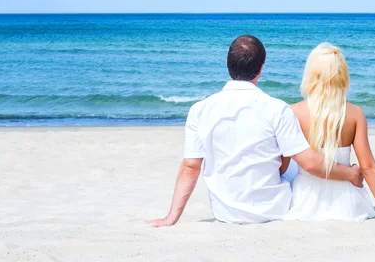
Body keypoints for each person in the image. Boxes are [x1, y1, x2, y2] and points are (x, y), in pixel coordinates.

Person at [148, 35, 363, 226]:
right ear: (261, 68)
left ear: (227, 64)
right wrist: (351, 173)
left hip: (226, 212)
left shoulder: (199, 110)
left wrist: (171, 218)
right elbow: (310, 162)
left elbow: (190, 168)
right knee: (296, 166)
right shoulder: (276, 108)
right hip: (272, 209)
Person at [285, 43, 375, 223]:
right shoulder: (355, 114)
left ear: (310, 74)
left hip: (305, 201)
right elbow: (368, 166)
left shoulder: (293, 112)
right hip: (347, 203)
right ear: (343, 76)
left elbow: (282, 166)